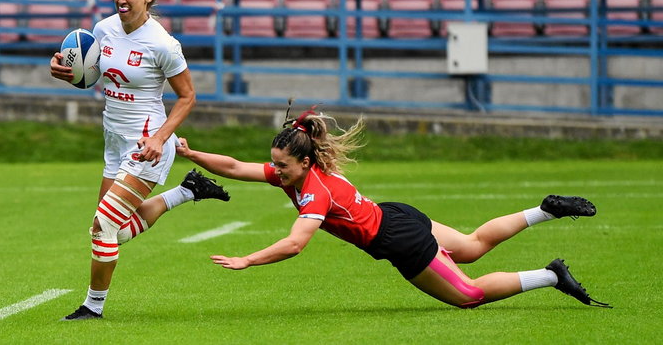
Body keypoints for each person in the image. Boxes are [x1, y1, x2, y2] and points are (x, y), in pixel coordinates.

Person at [175, 105, 612, 309]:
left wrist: (247, 260)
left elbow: (294, 245)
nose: (274, 170)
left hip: (398, 237)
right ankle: (545, 211)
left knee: (469, 295)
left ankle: (550, 275)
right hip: (397, 214)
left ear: (304, 161)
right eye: (274, 163)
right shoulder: (299, 175)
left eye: (281, 165)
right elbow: (234, 165)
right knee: (474, 245)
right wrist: (193, 154)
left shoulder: (314, 192)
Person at [49, 0, 230, 321]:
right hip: (114, 140)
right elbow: (95, 77)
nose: (120, 0)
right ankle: (186, 191)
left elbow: (188, 96)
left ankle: (92, 307)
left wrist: (161, 138)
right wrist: (68, 73)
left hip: (146, 146)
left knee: (104, 226)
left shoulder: (162, 44)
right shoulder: (102, 30)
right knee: (109, 230)